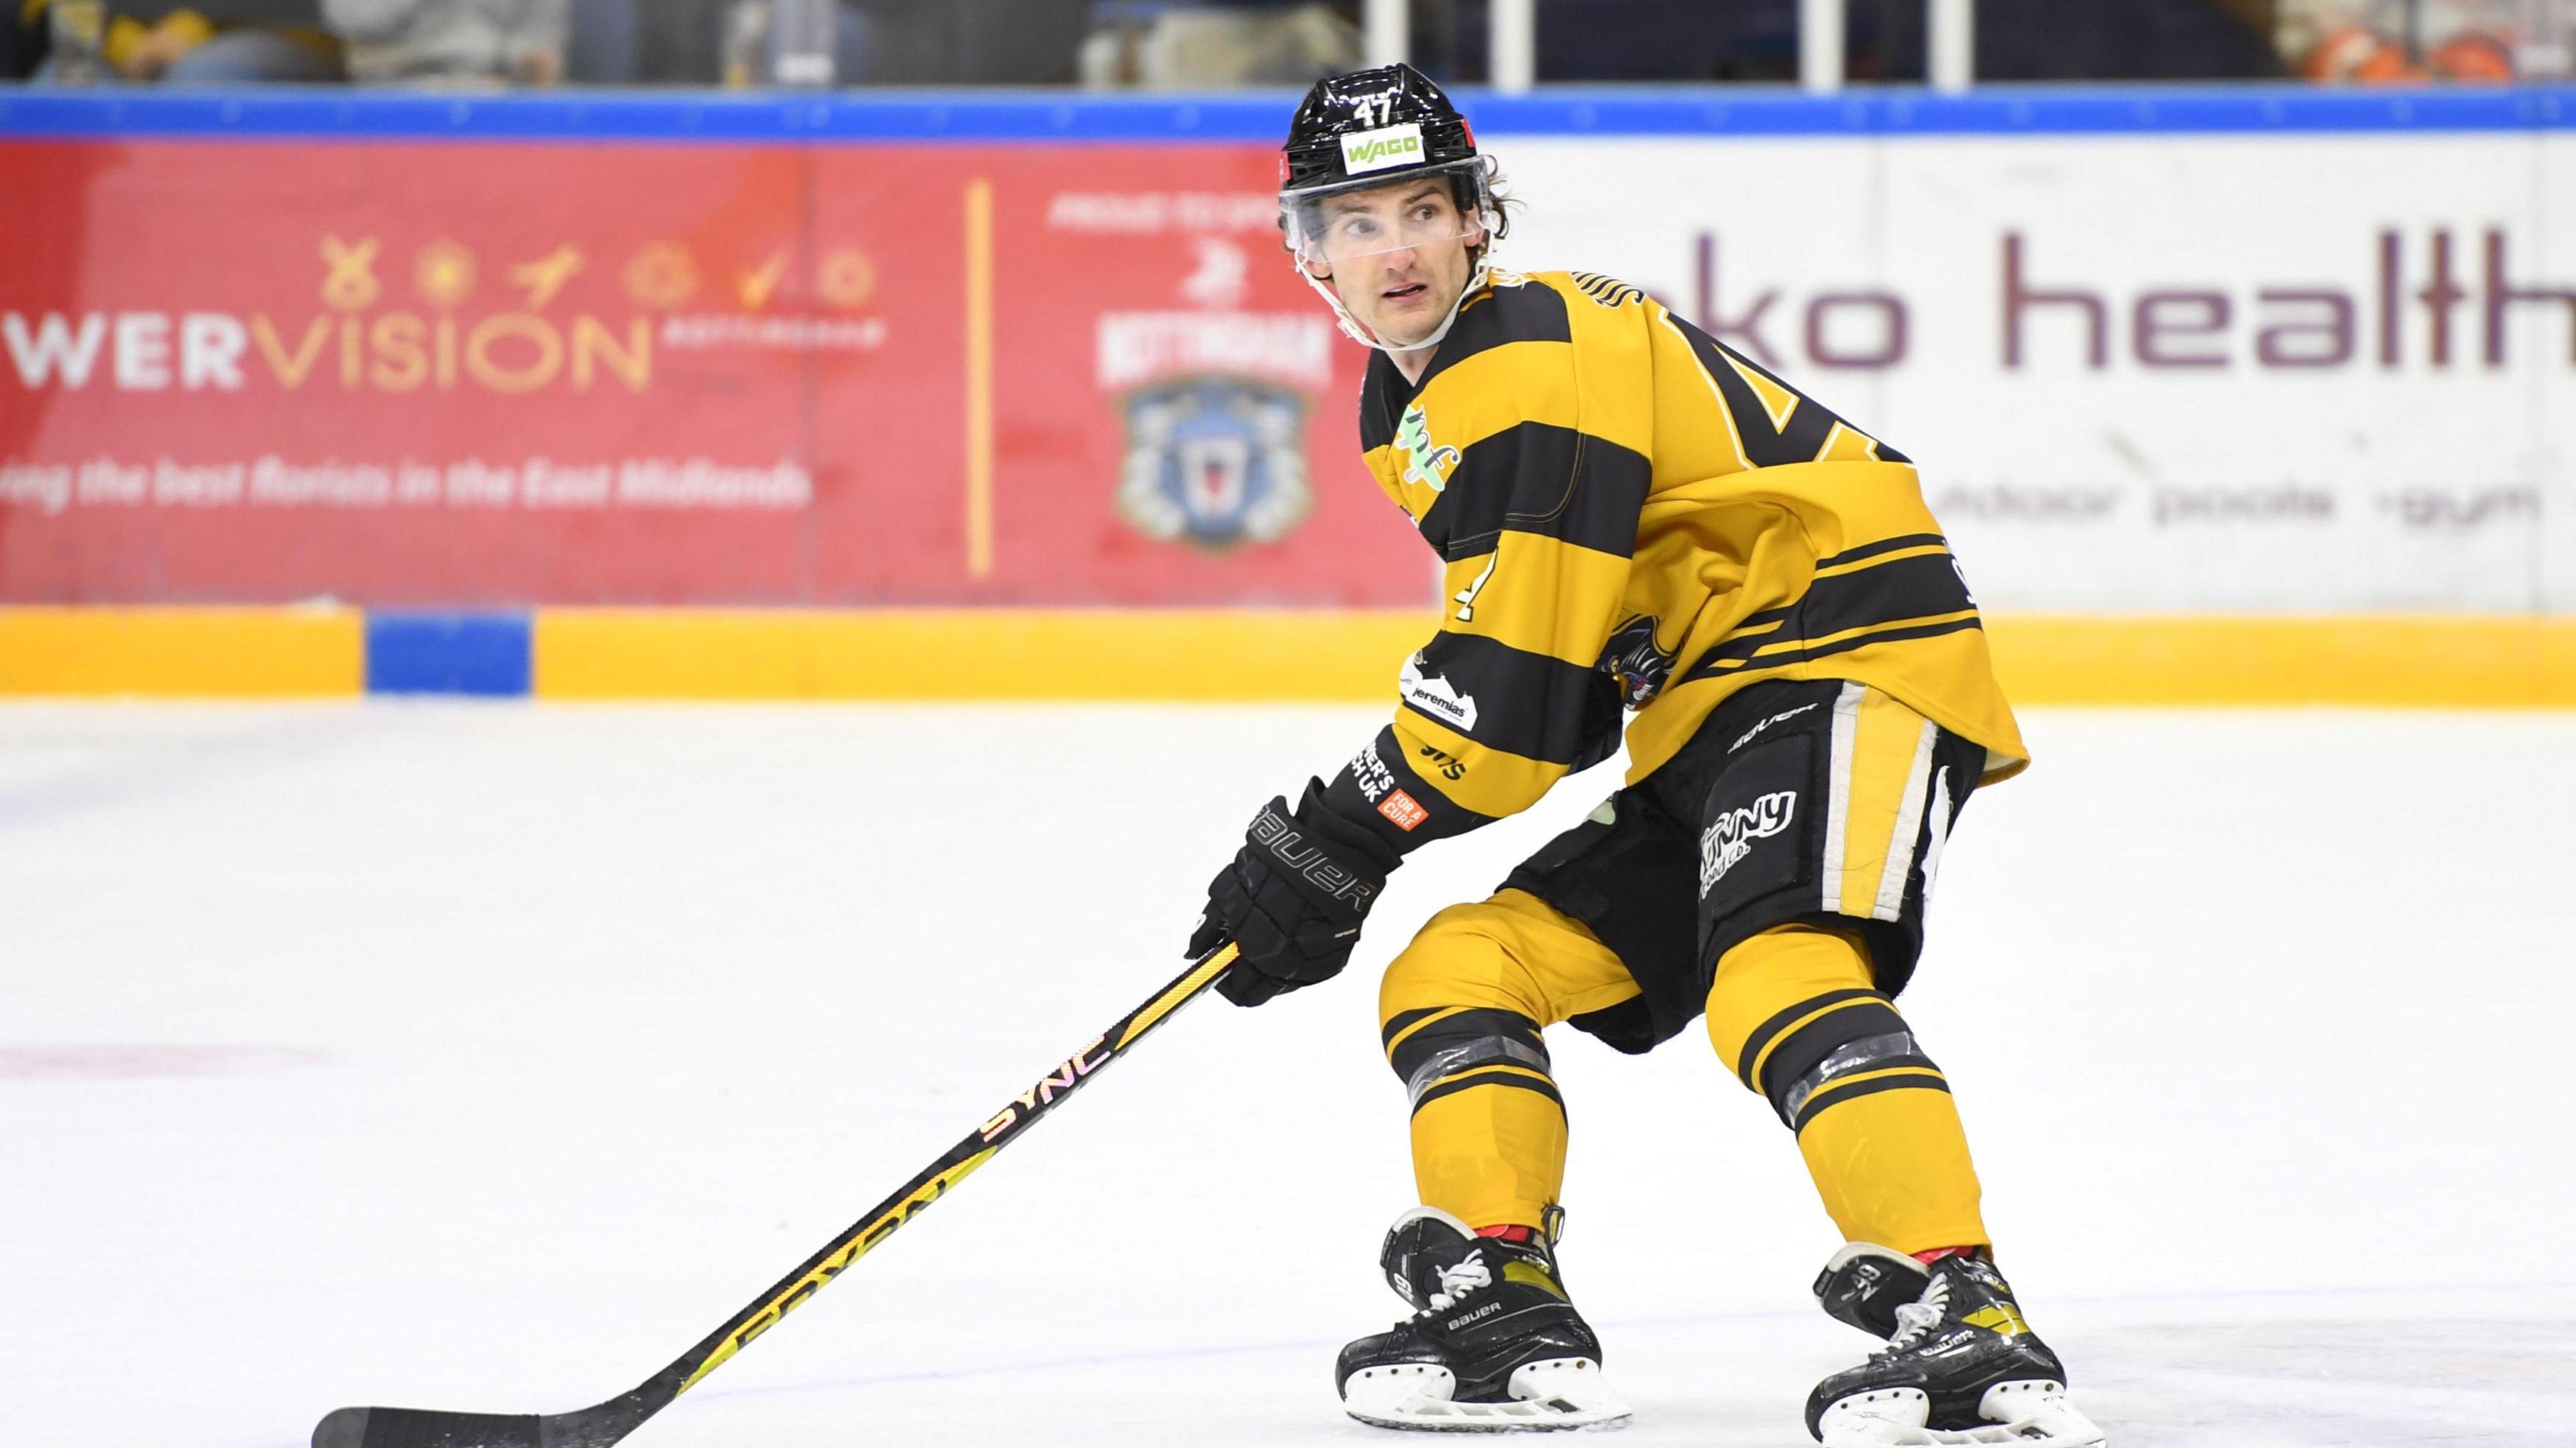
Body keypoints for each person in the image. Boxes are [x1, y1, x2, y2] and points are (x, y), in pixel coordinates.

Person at [1186, 64, 2106, 1447]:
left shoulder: (1519, 361)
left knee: (1780, 970)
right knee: (1460, 967)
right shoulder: (1417, 408)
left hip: (1838, 661)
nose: (1398, 247)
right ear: (1304, 249)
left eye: (1424, 208)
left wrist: (1346, 831)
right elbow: (1556, 699)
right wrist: (1357, 835)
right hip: (1709, 713)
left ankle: (1959, 1305)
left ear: (1477, 220)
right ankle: (1503, 1292)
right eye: (1358, 220)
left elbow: (1504, 710)